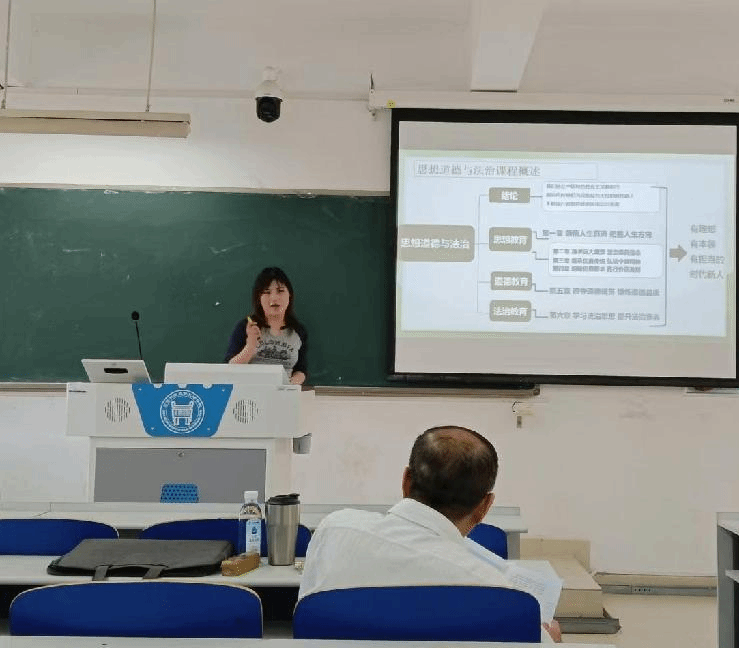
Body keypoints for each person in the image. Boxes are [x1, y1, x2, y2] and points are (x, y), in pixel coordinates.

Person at [298, 425, 561, 642]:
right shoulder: (501, 596)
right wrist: (552, 640)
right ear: (484, 507)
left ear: (406, 481)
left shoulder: (335, 529)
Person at [224, 266, 307, 385]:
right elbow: (229, 369)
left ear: (290, 295)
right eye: (267, 292)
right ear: (259, 298)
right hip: (249, 391)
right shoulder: (246, 327)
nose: (274, 298)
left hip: (283, 392)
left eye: (280, 291)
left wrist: (294, 382)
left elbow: (300, 370)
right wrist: (250, 345)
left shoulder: (298, 331)